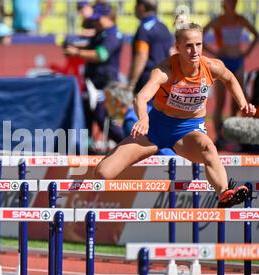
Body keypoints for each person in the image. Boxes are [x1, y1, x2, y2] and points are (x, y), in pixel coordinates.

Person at [95, 22, 256, 208]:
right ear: (177, 47)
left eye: (199, 44)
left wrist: (243, 104)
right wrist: (143, 118)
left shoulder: (212, 66)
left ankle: (224, 193)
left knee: (208, 148)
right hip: (155, 128)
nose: (195, 51)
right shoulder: (166, 71)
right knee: (102, 173)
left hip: (188, 131)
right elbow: (141, 97)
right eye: (188, 46)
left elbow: (230, 78)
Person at [64, 3, 124, 148]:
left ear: (108, 17)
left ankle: (127, 146)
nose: (95, 22)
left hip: (107, 86)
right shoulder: (101, 33)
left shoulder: (113, 35)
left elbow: (101, 55)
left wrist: (76, 52)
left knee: (105, 119)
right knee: (88, 119)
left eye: (98, 19)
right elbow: (91, 45)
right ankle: (88, 149)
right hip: (93, 85)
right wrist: (75, 46)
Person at [203, 0, 258, 149]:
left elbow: (255, 34)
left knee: (236, 102)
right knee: (220, 102)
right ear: (224, 3)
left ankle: (232, 136)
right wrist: (214, 53)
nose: (233, 3)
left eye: (234, 1)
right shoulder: (218, 21)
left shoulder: (240, 19)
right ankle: (219, 137)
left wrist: (246, 53)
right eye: (230, 1)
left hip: (238, 62)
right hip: (223, 62)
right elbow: (200, 35)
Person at [128, 0, 173, 95]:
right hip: (163, 78)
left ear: (142, 7)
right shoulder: (163, 26)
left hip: (146, 80)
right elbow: (171, 52)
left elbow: (141, 56)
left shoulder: (144, 29)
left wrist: (132, 83)